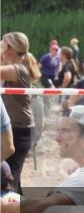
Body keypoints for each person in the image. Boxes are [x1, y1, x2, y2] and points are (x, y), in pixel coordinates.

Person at [1, 33, 42, 192]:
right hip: (13, 128)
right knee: (11, 177)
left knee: (9, 178)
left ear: (10, 48)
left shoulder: (18, 69)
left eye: (4, 45)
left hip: (19, 130)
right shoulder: (16, 67)